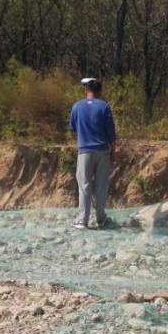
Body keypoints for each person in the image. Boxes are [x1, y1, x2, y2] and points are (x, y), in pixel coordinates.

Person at [69, 77, 117, 229]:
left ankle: (82, 220)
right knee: (101, 185)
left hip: (84, 151)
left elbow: (73, 128)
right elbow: (110, 131)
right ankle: (101, 218)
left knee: (84, 185)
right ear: (100, 91)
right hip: (102, 151)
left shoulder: (76, 106)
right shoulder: (104, 106)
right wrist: (113, 148)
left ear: (86, 91)